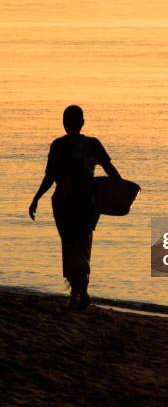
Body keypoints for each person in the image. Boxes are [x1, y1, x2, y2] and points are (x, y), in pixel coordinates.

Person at [29, 105, 121, 310]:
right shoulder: (92, 144)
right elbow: (109, 168)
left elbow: (50, 177)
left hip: (62, 201)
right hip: (86, 201)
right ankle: (81, 290)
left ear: (64, 123)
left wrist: (36, 198)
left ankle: (76, 291)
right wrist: (121, 187)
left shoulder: (58, 145)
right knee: (82, 244)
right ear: (82, 123)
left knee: (70, 245)